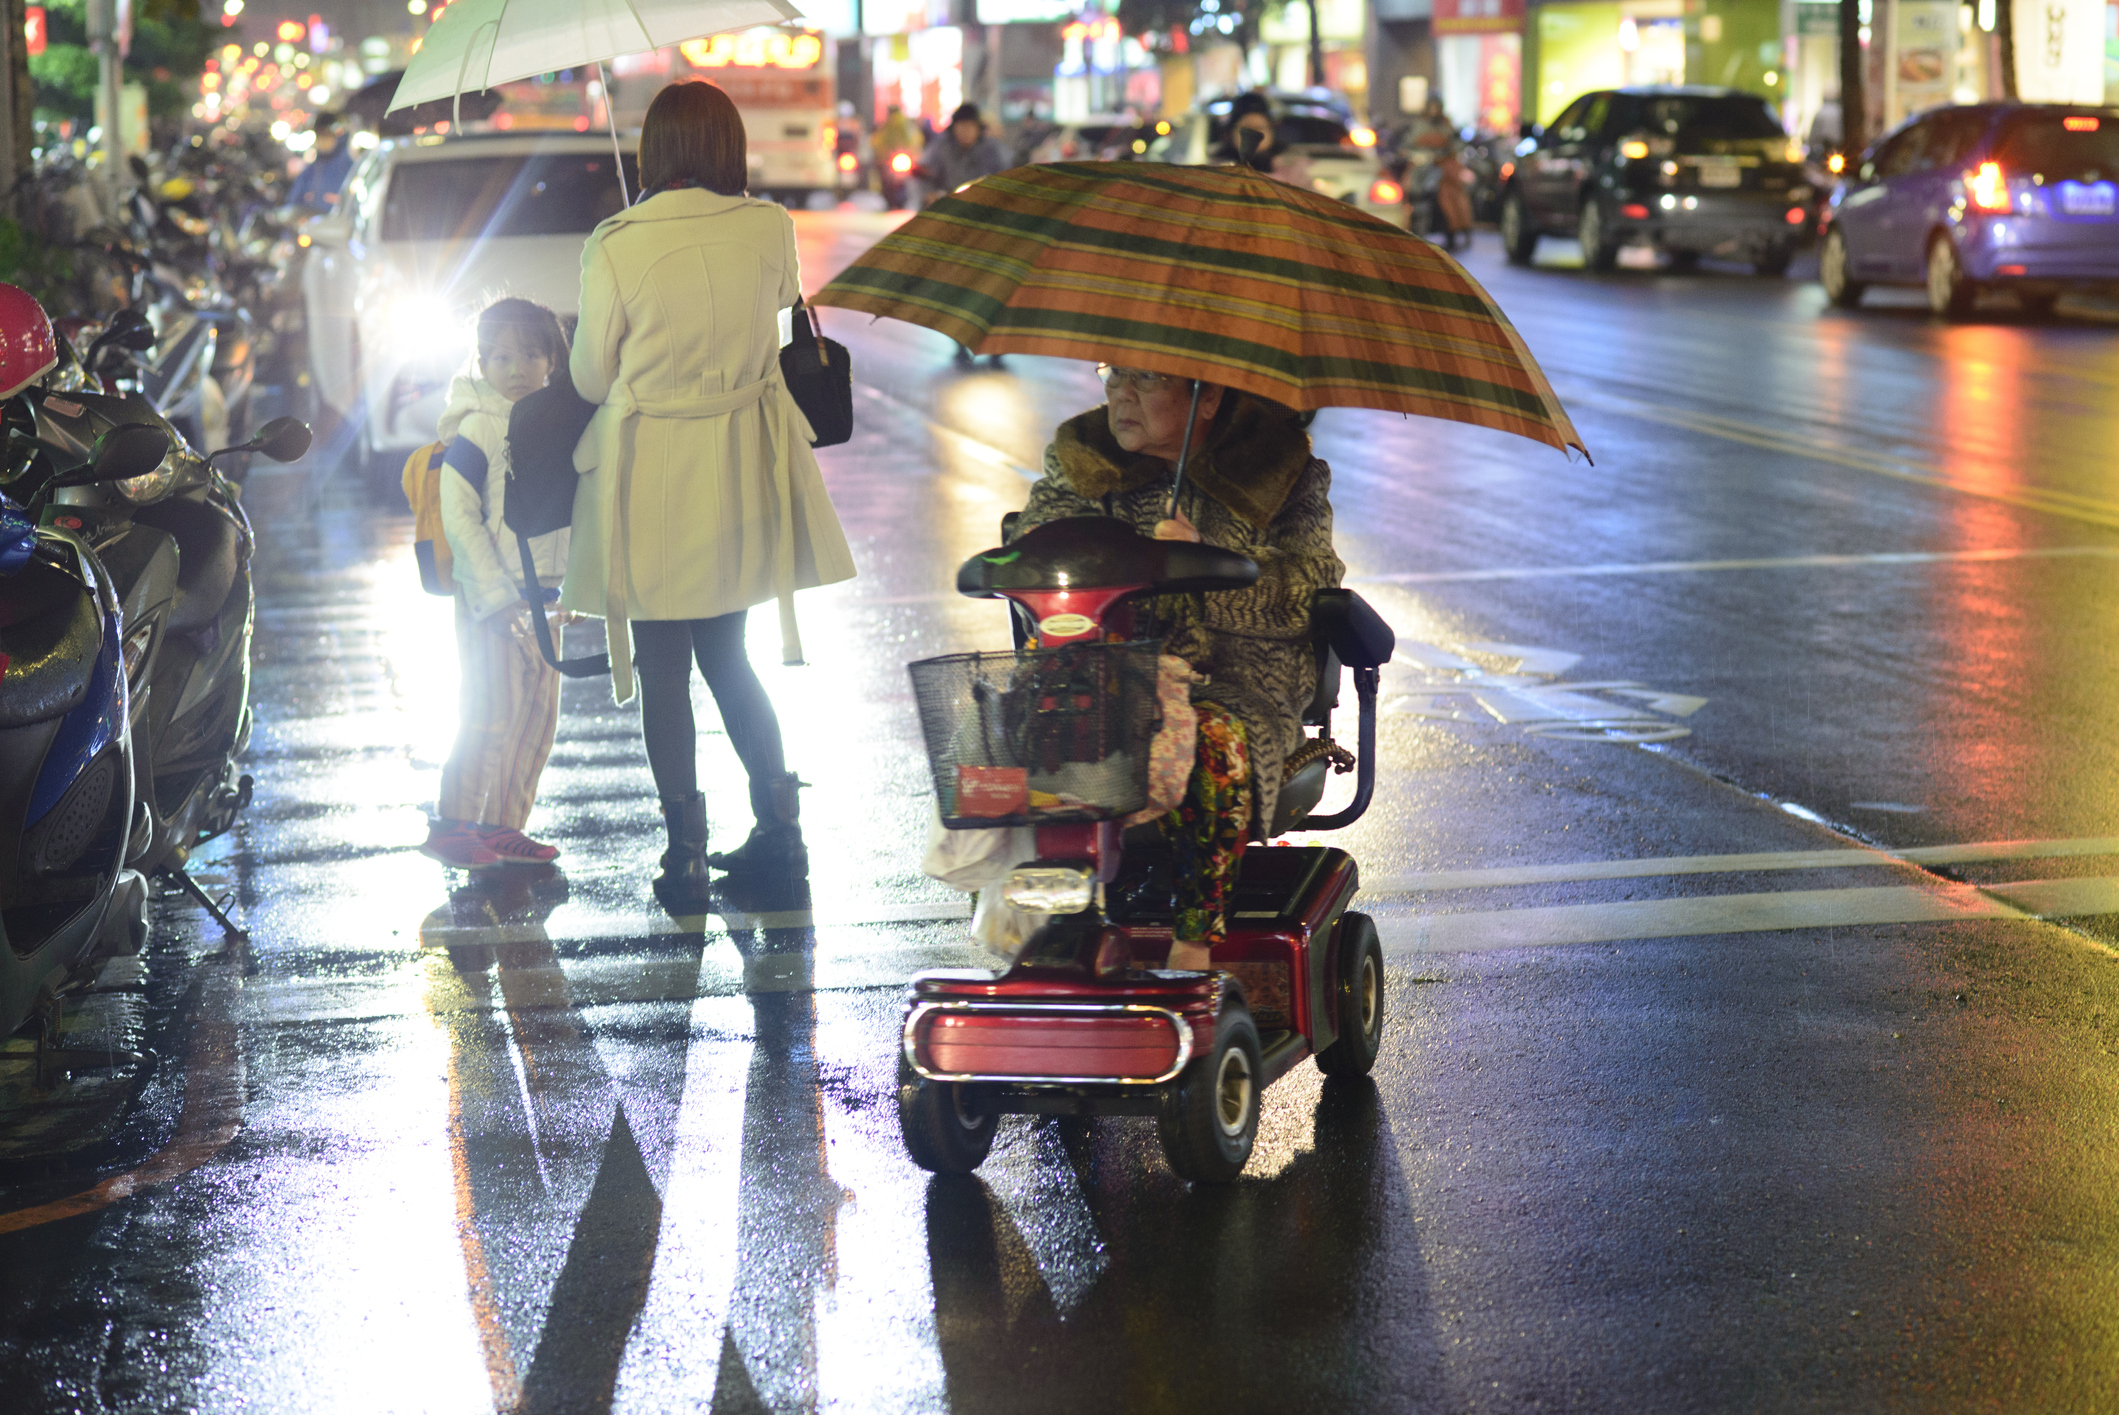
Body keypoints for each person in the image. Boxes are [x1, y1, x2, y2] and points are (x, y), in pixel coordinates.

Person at [563, 79, 858, 902]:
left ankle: (683, 854)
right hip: (738, 459)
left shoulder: (614, 239)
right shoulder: (768, 226)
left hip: (647, 466)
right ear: (728, 145)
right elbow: (770, 312)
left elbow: (590, 375)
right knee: (729, 656)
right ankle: (781, 835)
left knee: (663, 668)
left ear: (654, 150)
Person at [1015, 367, 1344, 970]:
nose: (1121, 394)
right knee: (1006, 730)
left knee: (1208, 741)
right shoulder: (1081, 459)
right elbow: (1035, 546)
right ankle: (1046, 928)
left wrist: (1209, 564)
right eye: (1112, 373)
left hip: (1241, 678)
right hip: (1109, 669)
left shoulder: (1283, 471)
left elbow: (1310, 588)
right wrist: (1127, 560)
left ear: (1207, 394)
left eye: (1143, 379)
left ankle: (1194, 947)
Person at [422, 299, 575, 870]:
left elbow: (574, 512)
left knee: (537, 716)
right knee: (490, 710)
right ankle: (454, 821)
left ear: (551, 362)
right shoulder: (478, 427)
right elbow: (460, 516)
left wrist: (580, 587)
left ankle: (505, 826)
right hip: (492, 598)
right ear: (481, 360)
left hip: (548, 597)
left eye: (530, 354)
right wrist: (494, 597)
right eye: (502, 356)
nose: (516, 367)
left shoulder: (559, 422)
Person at [921, 102, 1009, 199]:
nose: (966, 131)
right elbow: (924, 174)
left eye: (971, 126)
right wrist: (930, 194)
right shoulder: (940, 149)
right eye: (962, 126)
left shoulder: (992, 149)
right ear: (953, 128)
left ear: (978, 129)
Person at [289, 117, 354, 211]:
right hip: (314, 222)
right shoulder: (312, 169)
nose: (322, 140)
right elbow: (293, 201)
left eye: (326, 135)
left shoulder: (349, 165)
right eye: (319, 135)